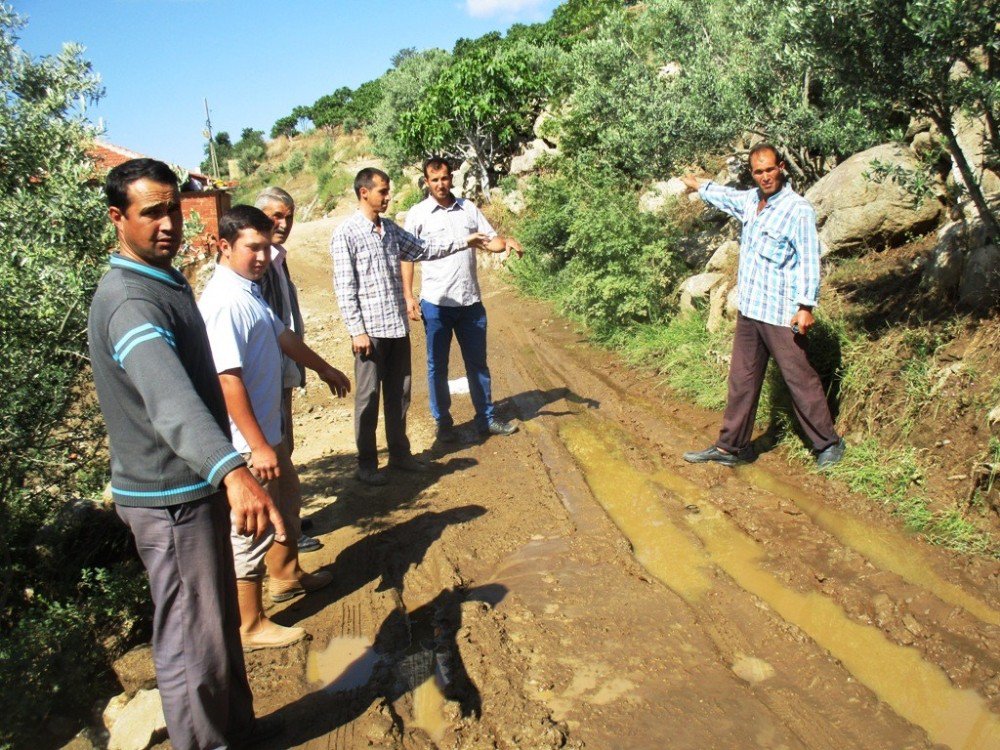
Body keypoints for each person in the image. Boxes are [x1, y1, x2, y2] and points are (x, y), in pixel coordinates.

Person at [88, 159, 284, 748]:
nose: (168, 223)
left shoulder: (159, 279)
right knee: (189, 641)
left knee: (215, 628)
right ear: (118, 217)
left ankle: (236, 731)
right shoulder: (130, 301)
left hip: (189, 486)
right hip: (168, 497)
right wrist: (232, 470)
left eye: (173, 208)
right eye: (152, 212)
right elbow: (171, 401)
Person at [199, 205, 351, 649]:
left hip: (269, 431)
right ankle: (250, 624)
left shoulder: (248, 290)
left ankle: (286, 575)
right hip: (248, 441)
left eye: (268, 247)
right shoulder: (224, 302)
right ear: (224, 246)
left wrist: (324, 368)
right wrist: (257, 445)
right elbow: (228, 380)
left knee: (287, 501)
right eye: (254, 247)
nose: (263, 256)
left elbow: (282, 336)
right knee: (253, 524)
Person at [681, 143, 846, 469]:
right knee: (742, 380)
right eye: (759, 172)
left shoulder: (797, 209)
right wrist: (700, 185)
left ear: (781, 167)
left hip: (781, 313)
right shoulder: (751, 201)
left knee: (799, 377)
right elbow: (726, 196)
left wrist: (806, 306)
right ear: (753, 174)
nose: (766, 176)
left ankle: (828, 443)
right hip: (751, 309)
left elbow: (809, 260)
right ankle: (731, 448)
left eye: (770, 169)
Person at [330, 167, 489, 486]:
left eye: (387, 191)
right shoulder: (346, 233)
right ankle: (367, 464)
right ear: (364, 192)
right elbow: (345, 286)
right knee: (368, 398)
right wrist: (356, 330)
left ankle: (400, 455)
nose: (388, 197)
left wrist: (465, 240)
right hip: (370, 332)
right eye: (383, 192)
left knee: (399, 395)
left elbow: (424, 249)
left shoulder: (389, 229)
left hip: (396, 327)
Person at [402, 157, 523, 442]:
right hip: (436, 303)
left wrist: (506, 242)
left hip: (470, 301)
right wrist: (408, 295)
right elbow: (406, 256)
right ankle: (443, 423)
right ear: (426, 182)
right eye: (434, 180)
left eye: (444, 178)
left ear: (451, 177)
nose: (440, 184)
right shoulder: (418, 214)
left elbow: (489, 240)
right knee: (437, 366)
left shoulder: (468, 209)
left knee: (477, 363)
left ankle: (487, 418)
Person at [254, 187, 320, 554]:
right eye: (275, 216)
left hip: (282, 372)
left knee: (285, 448)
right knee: (273, 455)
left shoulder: (276, 257)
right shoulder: (258, 264)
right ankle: (283, 537)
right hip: (266, 374)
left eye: (288, 216)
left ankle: (289, 518)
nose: (282, 223)